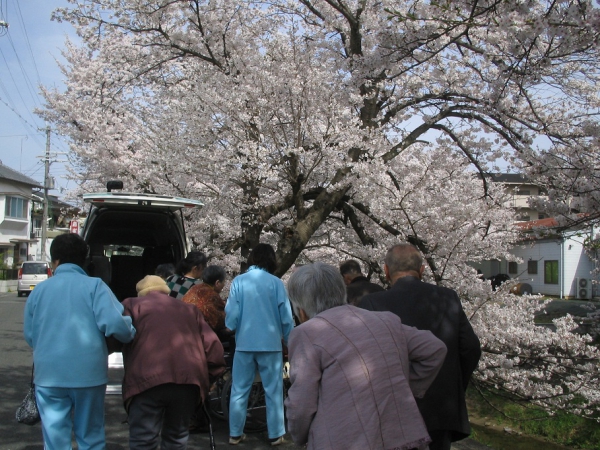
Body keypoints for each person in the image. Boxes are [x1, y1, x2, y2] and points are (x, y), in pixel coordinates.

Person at [285, 262, 447, 450]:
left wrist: (299, 436)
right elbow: (434, 348)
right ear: (341, 291)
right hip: (401, 436)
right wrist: (400, 385)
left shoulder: (307, 333)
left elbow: (301, 404)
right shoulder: (385, 320)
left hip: (343, 440)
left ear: (301, 311)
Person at [358, 243, 482, 450]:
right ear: (422, 270)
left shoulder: (372, 303)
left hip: (392, 410)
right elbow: (471, 348)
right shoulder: (448, 297)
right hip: (441, 407)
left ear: (386, 271)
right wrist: (454, 384)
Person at [23, 233, 136, 450]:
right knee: (90, 435)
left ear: (55, 261)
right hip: (88, 374)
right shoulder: (95, 286)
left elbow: (30, 334)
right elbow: (116, 324)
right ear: (84, 260)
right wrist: (130, 333)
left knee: (55, 439)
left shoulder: (39, 291)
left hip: (49, 374)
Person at [120, 275, 227, 450]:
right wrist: (208, 378)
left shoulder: (131, 305)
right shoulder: (189, 309)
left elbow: (117, 334)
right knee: (176, 439)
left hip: (145, 381)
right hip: (188, 382)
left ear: (141, 293)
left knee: (143, 441)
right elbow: (213, 348)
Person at [225, 243, 295, 446]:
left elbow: (232, 313)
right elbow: (286, 317)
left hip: (244, 344)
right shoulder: (276, 283)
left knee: (239, 389)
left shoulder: (239, 281)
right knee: (273, 390)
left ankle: (235, 433)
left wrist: (230, 326)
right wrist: (289, 341)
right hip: (270, 344)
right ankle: (276, 434)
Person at [182, 265, 228, 337]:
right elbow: (218, 321)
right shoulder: (213, 295)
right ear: (217, 283)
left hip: (183, 326)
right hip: (197, 333)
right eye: (223, 282)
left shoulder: (195, 287)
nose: (224, 285)